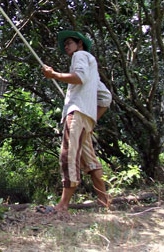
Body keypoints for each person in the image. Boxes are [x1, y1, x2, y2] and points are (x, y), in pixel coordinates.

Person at [41, 30, 111, 215]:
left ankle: (63, 205)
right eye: (65, 44)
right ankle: (104, 202)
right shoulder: (92, 66)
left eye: (69, 42)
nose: (66, 46)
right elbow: (105, 98)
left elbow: (78, 78)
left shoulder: (80, 55)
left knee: (68, 156)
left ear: (80, 44)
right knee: (90, 161)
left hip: (77, 114)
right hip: (85, 118)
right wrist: (92, 118)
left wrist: (54, 75)